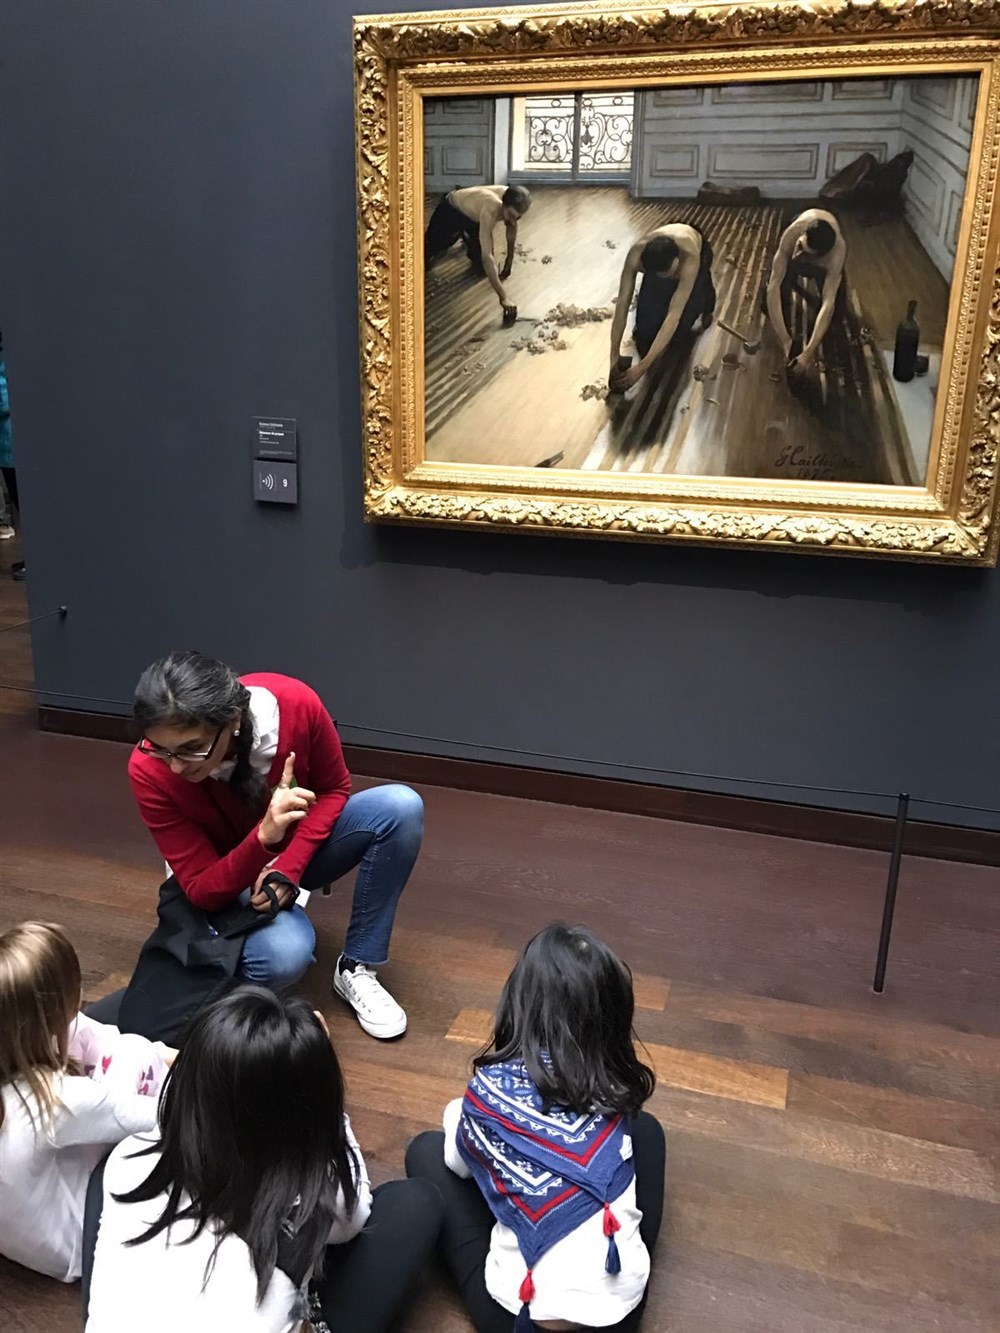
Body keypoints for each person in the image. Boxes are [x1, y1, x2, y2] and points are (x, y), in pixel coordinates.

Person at [84, 986, 444, 1332]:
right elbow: (355, 1217)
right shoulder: (314, 1197)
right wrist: (327, 1102)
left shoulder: (130, 1155)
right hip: (268, 1292)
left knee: (111, 1185)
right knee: (414, 1203)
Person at [129, 651, 423, 1039]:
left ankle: (356, 965)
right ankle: (237, 1006)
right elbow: (201, 889)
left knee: (400, 807)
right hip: (222, 880)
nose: (176, 766)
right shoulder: (149, 769)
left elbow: (335, 788)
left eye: (191, 748)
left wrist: (288, 866)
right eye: (161, 748)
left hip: (289, 851)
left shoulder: (295, 704)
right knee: (285, 955)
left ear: (232, 721)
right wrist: (263, 839)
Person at [406, 923, 666, 1332]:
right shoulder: (613, 1090)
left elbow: (457, 1164)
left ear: (517, 1003)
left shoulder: (488, 1096)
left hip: (517, 1318)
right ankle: (612, 1262)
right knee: (646, 1133)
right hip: (619, 1317)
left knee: (424, 1150)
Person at [0, 921, 173, 1282]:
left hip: (28, 1217)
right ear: (48, 1020)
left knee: (113, 1018)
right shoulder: (55, 1101)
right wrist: (175, 1061)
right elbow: (157, 1115)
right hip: (80, 1243)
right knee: (136, 1057)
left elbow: (87, 1029)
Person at [609, 223, 716, 391]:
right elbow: (622, 306)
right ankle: (667, 282)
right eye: (669, 275)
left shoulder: (689, 258)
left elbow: (673, 316)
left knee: (681, 329)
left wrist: (641, 368)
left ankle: (704, 288)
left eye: (674, 272)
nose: (673, 276)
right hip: (661, 265)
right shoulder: (636, 256)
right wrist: (613, 358)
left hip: (699, 252)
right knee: (644, 330)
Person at [424, 184, 532, 319]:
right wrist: (503, 297)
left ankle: (466, 236)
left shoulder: (513, 199)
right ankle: (457, 236)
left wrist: (509, 261)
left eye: (517, 217)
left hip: (476, 218)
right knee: (427, 254)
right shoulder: (491, 208)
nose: (512, 220)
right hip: (452, 209)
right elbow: (488, 257)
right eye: (510, 215)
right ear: (503, 205)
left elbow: (511, 225)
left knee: (481, 269)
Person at [764, 208, 847, 377]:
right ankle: (792, 277)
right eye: (800, 246)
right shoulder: (793, 232)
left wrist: (808, 353)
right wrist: (786, 341)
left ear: (821, 257)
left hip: (822, 260)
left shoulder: (836, 255)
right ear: (802, 234)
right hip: (802, 222)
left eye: (805, 254)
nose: (797, 255)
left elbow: (827, 303)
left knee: (836, 312)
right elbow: (774, 286)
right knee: (770, 297)